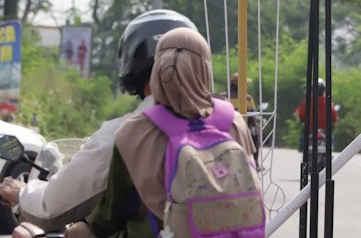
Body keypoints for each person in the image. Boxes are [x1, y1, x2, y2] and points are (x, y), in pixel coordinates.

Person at [0, 9, 197, 238]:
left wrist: (22, 193)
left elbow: (52, 208)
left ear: (133, 60)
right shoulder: (232, 122)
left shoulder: (127, 132)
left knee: (78, 232)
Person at [68, 26, 256, 238]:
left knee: (79, 232)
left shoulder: (134, 131)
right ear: (205, 70)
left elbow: (110, 214)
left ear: (157, 70)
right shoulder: (235, 121)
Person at [296, 77, 337, 150]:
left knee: (303, 139)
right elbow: (334, 117)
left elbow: (301, 115)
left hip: (311, 129)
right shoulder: (328, 102)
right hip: (324, 130)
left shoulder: (307, 101)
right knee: (331, 140)